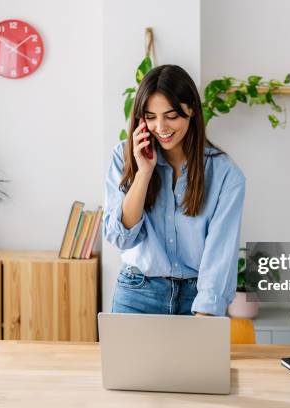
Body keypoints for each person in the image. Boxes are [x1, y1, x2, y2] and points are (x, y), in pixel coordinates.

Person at [103, 64, 245, 316]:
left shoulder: (226, 174)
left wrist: (205, 316)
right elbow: (120, 237)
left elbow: (220, 256)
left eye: (171, 116)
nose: (161, 127)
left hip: (197, 299)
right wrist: (144, 173)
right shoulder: (122, 157)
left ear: (191, 110)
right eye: (150, 116)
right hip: (137, 294)